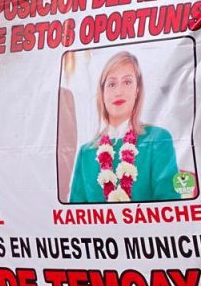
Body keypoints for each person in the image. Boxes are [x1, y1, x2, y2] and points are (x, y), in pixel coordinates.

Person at [68, 51, 179, 203]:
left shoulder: (158, 139)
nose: (119, 92)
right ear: (102, 93)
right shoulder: (86, 153)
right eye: (112, 84)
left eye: (127, 82)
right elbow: (76, 213)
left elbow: (170, 205)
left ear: (137, 90)